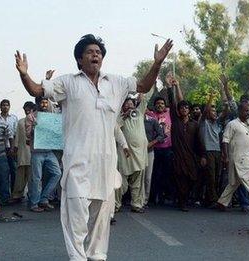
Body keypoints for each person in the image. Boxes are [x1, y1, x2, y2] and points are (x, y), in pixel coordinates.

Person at [15, 34, 172, 260]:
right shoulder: (68, 82)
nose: (95, 55)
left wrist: (157, 63)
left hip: (106, 162)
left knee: (101, 215)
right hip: (77, 160)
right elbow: (36, 91)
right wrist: (24, 74)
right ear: (80, 59)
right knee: (76, 212)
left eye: (98, 52)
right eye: (90, 52)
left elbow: (144, 86)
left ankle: (96, 256)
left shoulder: (116, 82)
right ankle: (77, 257)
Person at [217, 101, 249, 213]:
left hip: (247, 159)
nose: (248, 113)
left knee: (233, 183)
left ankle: (222, 203)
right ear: (239, 111)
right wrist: (225, 156)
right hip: (237, 159)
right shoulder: (232, 124)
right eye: (246, 111)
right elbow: (225, 141)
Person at [166, 75, 204, 211]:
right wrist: (171, 87)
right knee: (180, 179)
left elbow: (199, 142)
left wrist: (203, 156)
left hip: (190, 157)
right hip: (178, 156)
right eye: (182, 108)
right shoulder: (175, 120)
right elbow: (173, 103)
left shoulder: (194, 124)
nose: (184, 109)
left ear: (189, 110)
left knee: (192, 178)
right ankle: (182, 202)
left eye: (186, 108)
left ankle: (184, 198)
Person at [115, 92, 152, 214]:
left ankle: (136, 204)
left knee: (138, 181)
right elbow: (114, 130)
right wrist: (123, 116)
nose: (129, 106)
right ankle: (115, 205)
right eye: (126, 104)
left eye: (131, 104)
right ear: (122, 106)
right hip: (125, 154)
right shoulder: (118, 118)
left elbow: (144, 96)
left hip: (140, 154)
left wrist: (142, 89)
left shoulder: (139, 113)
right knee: (121, 181)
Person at [25, 96, 63, 212]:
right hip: (37, 152)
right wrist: (35, 128)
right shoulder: (31, 117)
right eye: (42, 103)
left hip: (49, 151)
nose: (45, 105)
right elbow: (27, 134)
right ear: (38, 103)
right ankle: (34, 204)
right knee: (37, 178)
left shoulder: (51, 116)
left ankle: (44, 199)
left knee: (57, 173)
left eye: (46, 103)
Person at [198, 95, 228, 208]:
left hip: (217, 152)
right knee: (211, 176)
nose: (214, 113)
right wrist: (210, 98)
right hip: (208, 151)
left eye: (215, 111)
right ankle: (213, 200)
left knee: (216, 177)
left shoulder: (217, 123)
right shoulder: (204, 122)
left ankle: (208, 199)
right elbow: (205, 111)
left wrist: (225, 104)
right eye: (212, 111)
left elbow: (225, 113)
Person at [147, 95, 174, 205]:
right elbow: (143, 106)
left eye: (162, 103)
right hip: (155, 149)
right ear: (154, 106)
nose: (160, 105)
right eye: (158, 103)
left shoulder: (169, 113)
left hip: (167, 149)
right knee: (154, 174)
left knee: (166, 174)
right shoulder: (151, 115)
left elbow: (175, 101)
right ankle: (153, 197)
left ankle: (163, 196)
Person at [11, 101, 36, 203]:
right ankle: (17, 195)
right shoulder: (20, 122)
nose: (27, 111)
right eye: (25, 109)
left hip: (33, 152)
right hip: (22, 152)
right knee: (20, 176)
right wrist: (14, 150)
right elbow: (17, 137)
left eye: (29, 109)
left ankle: (32, 195)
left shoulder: (36, 121)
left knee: (32, 176)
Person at [143, 108, 165, 206]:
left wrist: (152, 142)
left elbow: (161, 135)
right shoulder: (132, 118)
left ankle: (144, 200)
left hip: (149, 151)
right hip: (135, 152)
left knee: (147, 177)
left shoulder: (152, 121)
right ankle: (136, 199)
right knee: (138, 177)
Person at [0, 99, 18, 191]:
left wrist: (14, 148)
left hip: (11, 148)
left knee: (13, 170)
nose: (5, 107)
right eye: (3, 105)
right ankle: (4, 192)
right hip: (0, 148)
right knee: (3, 171)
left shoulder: (14, 118)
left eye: (7, 105)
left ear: (9, 107)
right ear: (0, 107)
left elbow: (16, 134)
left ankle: (14, 192)